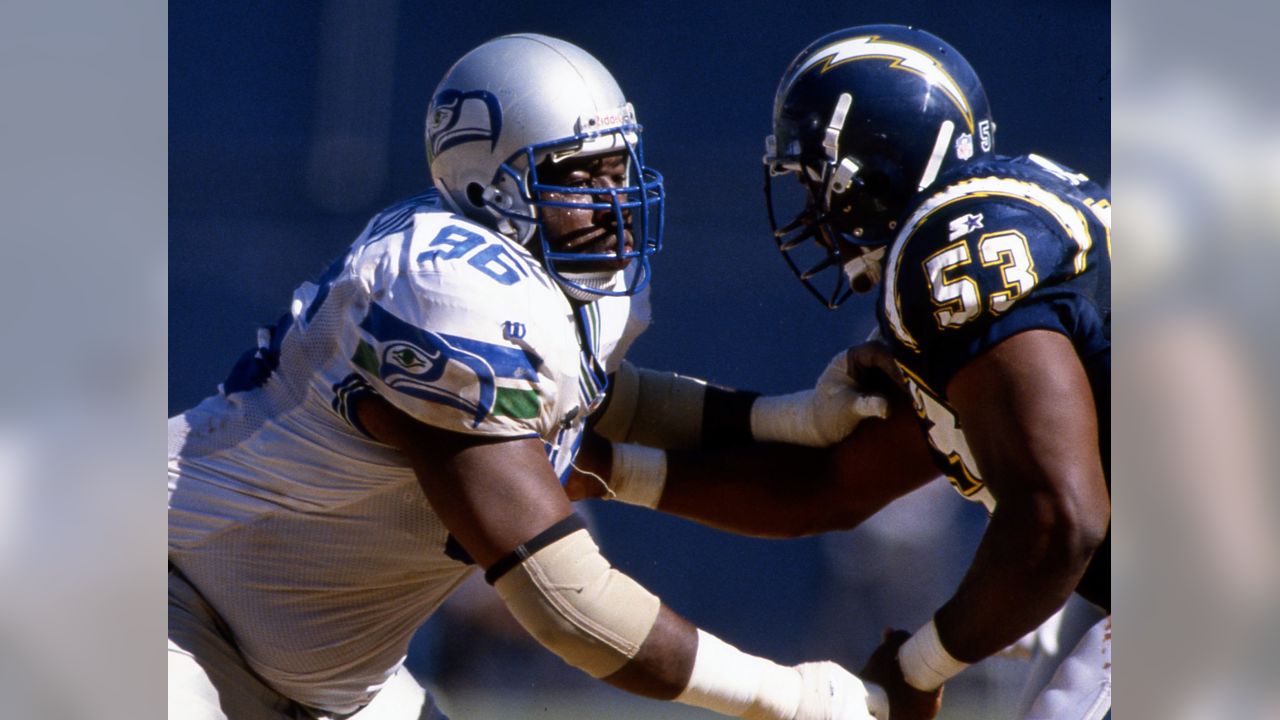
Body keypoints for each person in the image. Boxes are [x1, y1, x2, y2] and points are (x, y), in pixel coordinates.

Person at [168, 32, 894, 720]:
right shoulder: (447, 289)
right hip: (167, 597)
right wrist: (785, 697)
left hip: (327, 675)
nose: (614, 201)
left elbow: (603, 401)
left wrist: (793, 417)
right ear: (487, 189)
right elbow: (564, 598)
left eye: (620, 168)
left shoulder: (554, 293)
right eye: (579, 176)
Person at [571, 24, 1111, 720]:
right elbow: (829, 487)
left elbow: (1061, 520)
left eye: (814, 182)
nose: (810, 213)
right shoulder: (985, 237)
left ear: (869, 171)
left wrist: (919, 666)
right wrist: (602, 469)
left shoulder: (955, 249)